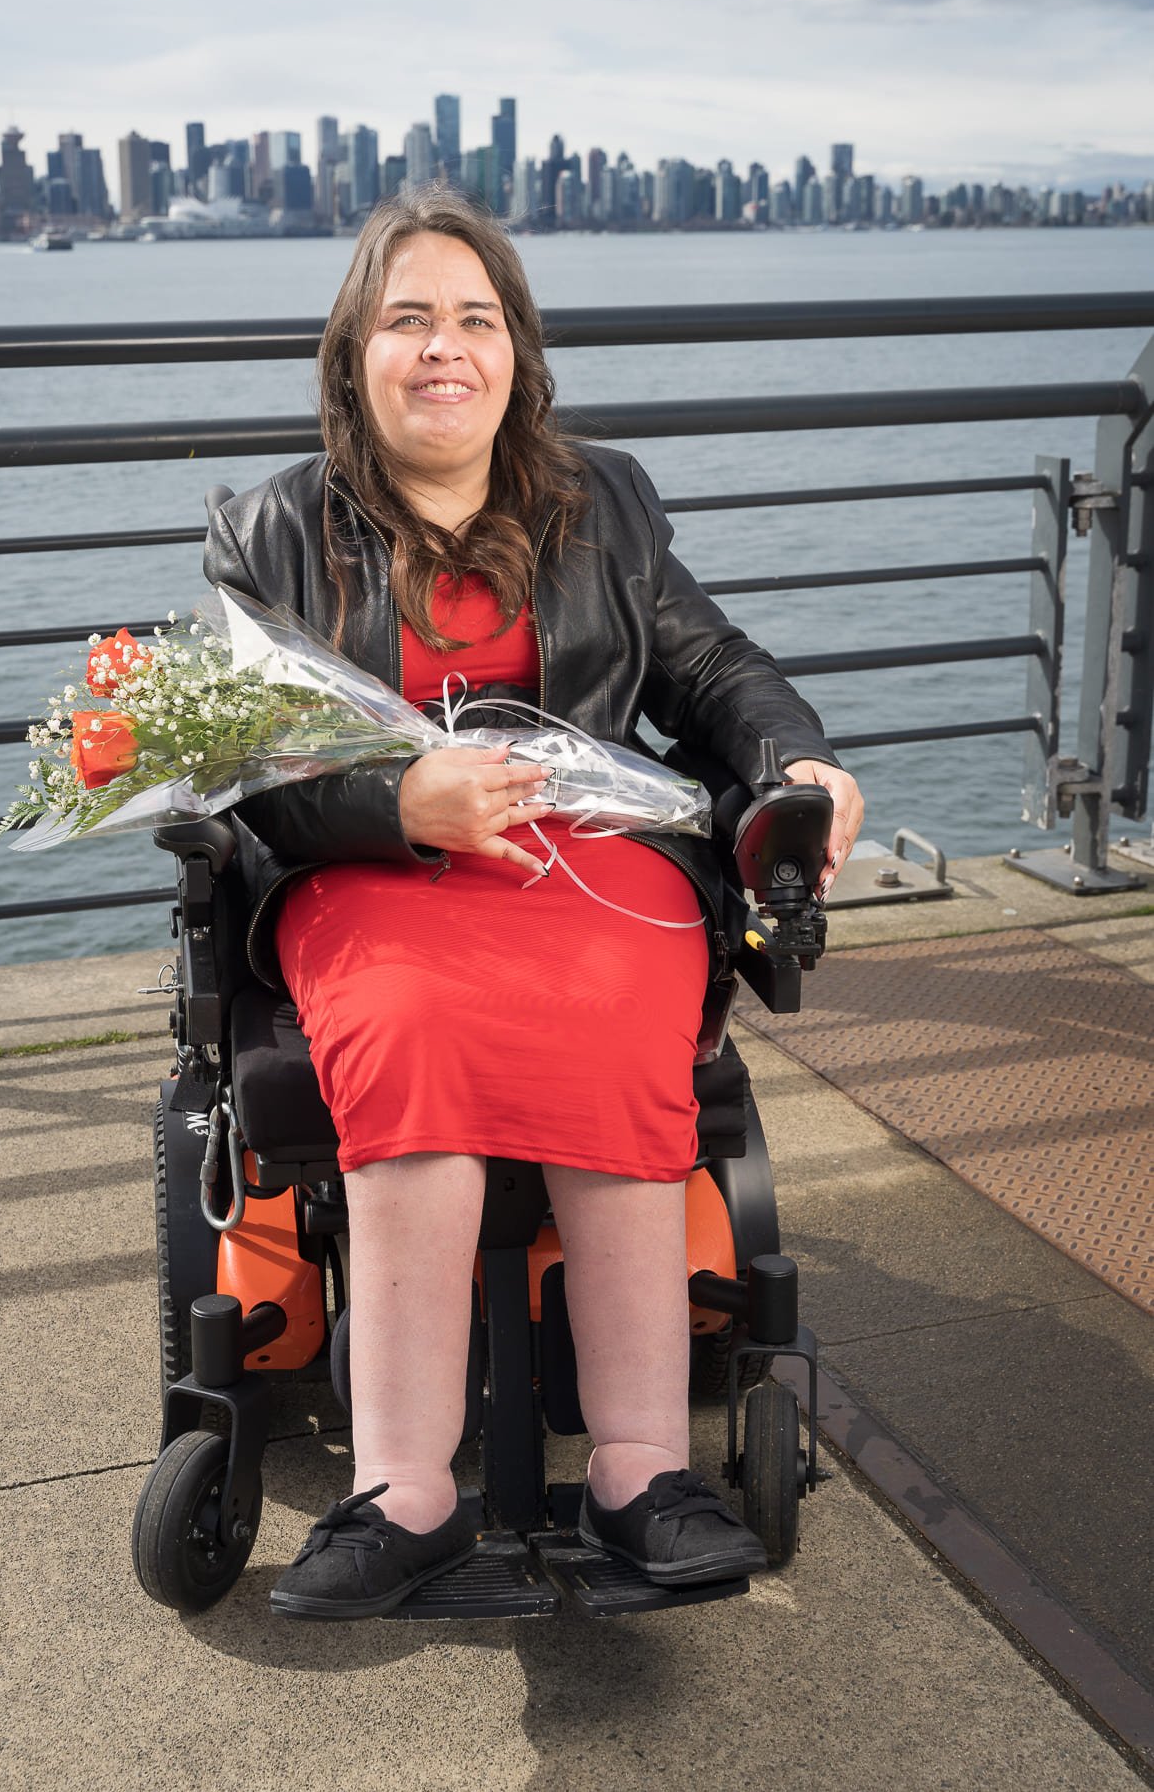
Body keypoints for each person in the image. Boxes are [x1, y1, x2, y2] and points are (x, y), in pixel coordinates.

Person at [204, 185, 864, 1619]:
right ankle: (405, 1491)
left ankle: (639, 1469)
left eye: (473, 319)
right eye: (405, 320)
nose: (443, 349)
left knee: (621, 1009)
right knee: (408, 1033)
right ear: (351, 357)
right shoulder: (268, 532)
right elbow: (248, 778)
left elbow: (712, 669)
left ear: (516, 354)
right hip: (369, 877)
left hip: (584, 862)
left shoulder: (600, 501)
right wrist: (396, 804)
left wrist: (790, 754)